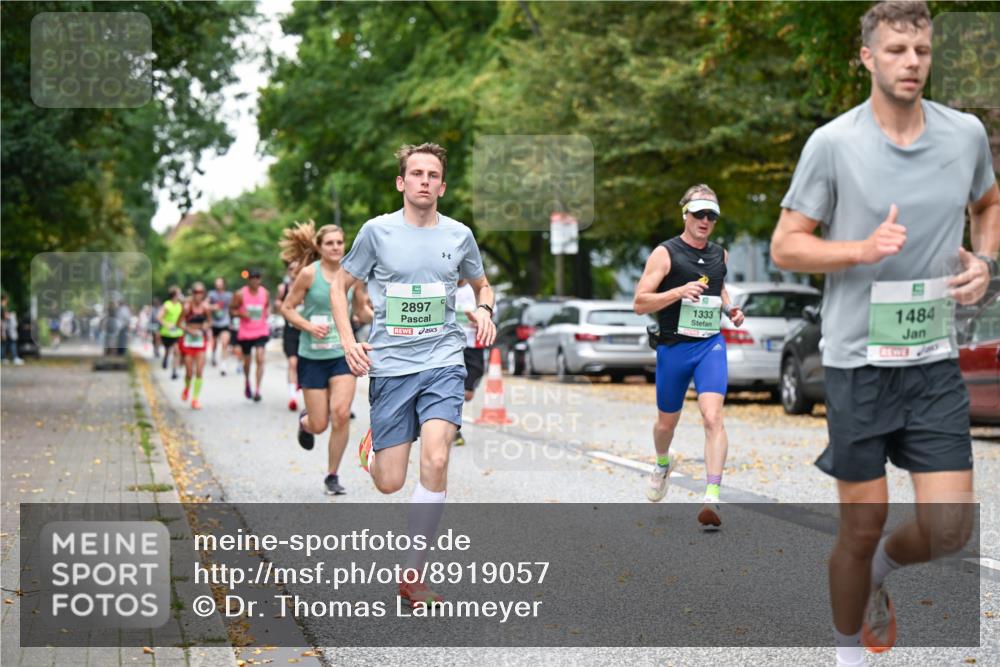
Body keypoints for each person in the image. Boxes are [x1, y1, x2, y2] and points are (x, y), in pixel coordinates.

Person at [770, 2, 999, 664]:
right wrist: (860, 250)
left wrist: (984, 262)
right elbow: (787, 244)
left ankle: (879, 574)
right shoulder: (834, 144)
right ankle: (848, 651)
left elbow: (988, 205)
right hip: (856, 363)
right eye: (896, 50)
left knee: (951, 528)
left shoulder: (965, 136)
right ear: (868, 58)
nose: (912, 63)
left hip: (931, 360)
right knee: (862, 524)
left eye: (922, 51)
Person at [331, 142, 495, 607]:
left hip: (443, 359)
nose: (424, 180)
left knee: (438, 459)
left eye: (433, 174)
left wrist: (484, 309)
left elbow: (482, 283)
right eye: (416, 173)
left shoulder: (459, 235)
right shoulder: (376, 233)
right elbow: (340, 286)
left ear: (442, 185)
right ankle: (373, 446)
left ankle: (414, 572)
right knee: (389, 482)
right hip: (390, 366)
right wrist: (348, 341)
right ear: (402, 182)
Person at [633, 184, 745, 528]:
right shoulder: (665, 254)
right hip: (673, 347)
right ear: (685, 214)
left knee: (713, 417)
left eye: (711, 215)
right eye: (699, 213)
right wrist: (679, 291)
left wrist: (730, 309)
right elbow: (640, 302)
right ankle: (663, 462)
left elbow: (718, 285)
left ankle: (712, 495)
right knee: (667, 423)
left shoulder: (719, 254)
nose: (705, 220)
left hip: (709, 344)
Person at [280, 221, 373, 495]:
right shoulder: (309, 274)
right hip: (312, 355)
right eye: (330, 243)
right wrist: (308, 326)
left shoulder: (352, 276)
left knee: (341, 414)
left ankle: (332, 475)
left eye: (339, 243)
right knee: (319, 424)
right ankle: (305, 422)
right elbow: (287, 308)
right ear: (320, 248)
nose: (335, 247)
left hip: (343, 354)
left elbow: (361, 312)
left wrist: (383, 316)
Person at [452, 278, 487, 446]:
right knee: (451, 387)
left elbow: (487, 312)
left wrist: (481, 319)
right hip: (451, 346)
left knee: (467, 393)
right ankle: (453, 428)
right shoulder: (446, 287)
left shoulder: (475, 289)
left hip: (472, 345)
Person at [230, 269, 270, 401]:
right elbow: (232, 310)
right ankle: (247, 381)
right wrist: (242, 314)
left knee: (260, 357)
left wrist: (267, 313)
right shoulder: (240, 294)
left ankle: (258, 390)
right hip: (246, 332)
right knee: (247, 361)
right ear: (249, 280)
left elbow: (267, 306)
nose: (255, 280)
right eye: (252, 278)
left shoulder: (265, 293)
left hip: (261, 330)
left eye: (257, 278)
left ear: (260, 279)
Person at [178, 282, 212, 409]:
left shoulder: (206, 308)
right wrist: (189, 330)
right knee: (189, 372)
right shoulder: (187, 307)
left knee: (199, 371)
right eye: (196, 292)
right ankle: (187, 387)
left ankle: (195, 399)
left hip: (200, 341)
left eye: (201, 292)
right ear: (192, 293)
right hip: (188, 341)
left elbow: (210, 322)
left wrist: (205, 327)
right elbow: (179, 323)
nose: (199, 295)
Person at [276, 261, 303, 411]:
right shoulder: (283, 288)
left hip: (306, 330)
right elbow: (278, 303)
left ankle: (301, 385)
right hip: (290, 331)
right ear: (288, 272)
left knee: (303, 364)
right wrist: (283, 306)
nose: (294, 271)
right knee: (292, 362)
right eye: (291, 269)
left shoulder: (308, 286)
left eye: (297, 269)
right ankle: (293, 397)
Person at [208, 277, 232, 375]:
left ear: (224, 284)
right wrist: (213, 307)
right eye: (216, 283)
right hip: (214, 322)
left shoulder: (229, 295)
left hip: (225, 322)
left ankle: (223, 364)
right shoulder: (211, 294)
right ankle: (213, 355)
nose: (218, 285)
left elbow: (234, 306)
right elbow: (205, 305)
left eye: (220, 283)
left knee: (224, 343)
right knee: (214, 343)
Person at [159, 287, 184, 380]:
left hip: (177, 332)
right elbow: (159, 317)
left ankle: (174, 371)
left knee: (176, 351)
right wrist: (167, 325)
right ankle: (165, 358)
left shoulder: (180, 305)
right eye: (179, 293)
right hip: (166, 333)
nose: (181, 295)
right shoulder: (167, 305)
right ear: (174, 295)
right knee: (167, 350)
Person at [1, 295, 24, 365]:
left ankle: (4, 358)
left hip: (4, 327)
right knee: (5, 342)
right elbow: (4, 316)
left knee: (4, 343)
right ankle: (8, 358)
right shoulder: (2, 307)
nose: (7, 301)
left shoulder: (3, 307)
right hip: (3, 327)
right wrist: (11, 315)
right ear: (4, 299)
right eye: (7, 299)